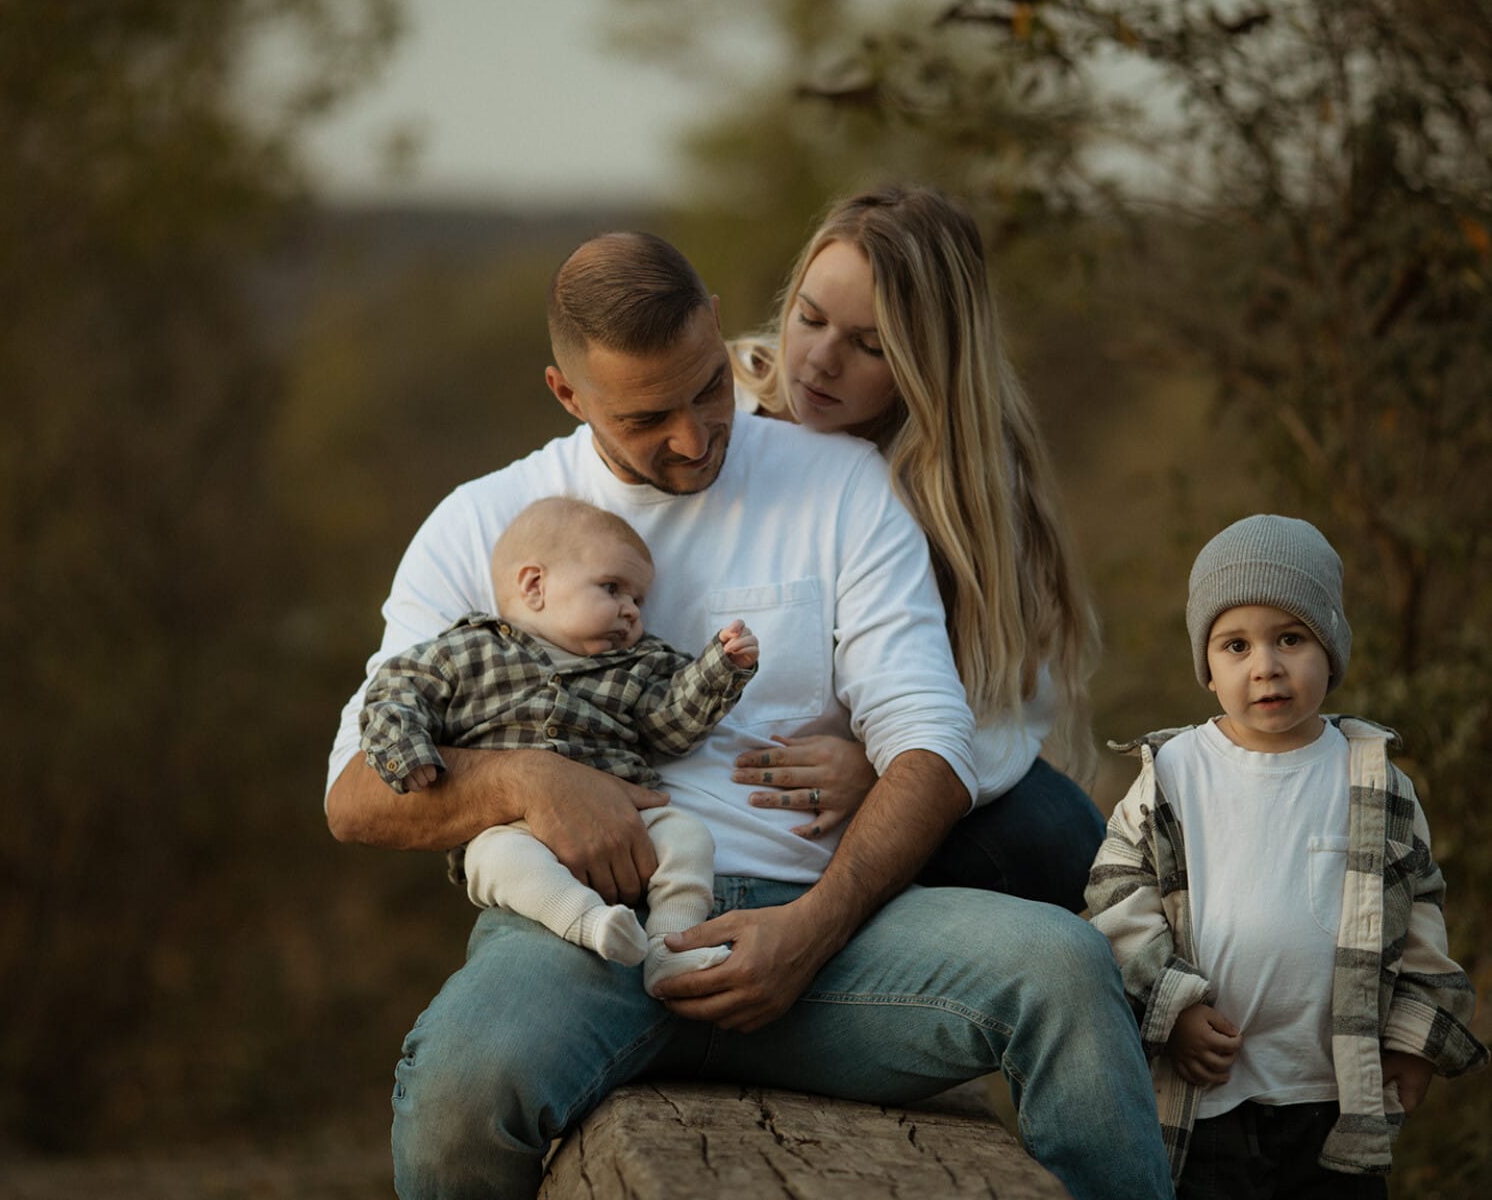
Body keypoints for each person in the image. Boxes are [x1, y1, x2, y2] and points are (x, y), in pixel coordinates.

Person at [325, 229, 1175, 1200]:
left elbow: (931, 740)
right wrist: (529, 779)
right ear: (569, 394)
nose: (694, 436)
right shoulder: (482, 521)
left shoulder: (838, 480)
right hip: (583, 934)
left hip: (824, 945)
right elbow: (354, 795)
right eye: (650, 415)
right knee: (458, 1090)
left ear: (718, 330)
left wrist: (813, 926)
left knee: (1063, 965)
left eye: (707, 389)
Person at [1085, 514, 1487, 1197]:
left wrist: (1413, 1041)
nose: (1265, 666)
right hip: (1210, 1093)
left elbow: (1418, 912)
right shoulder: (1178, 772)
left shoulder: (1372, 778)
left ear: (1329, 649)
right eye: (1236, 645)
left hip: (1333, 1096)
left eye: (1290, 638)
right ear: (1207, 669)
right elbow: (1117, 892)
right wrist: (1174, 1010)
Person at [729, 185, 1103, 910]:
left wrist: (886, 769)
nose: (820, 360)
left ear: (930, 362)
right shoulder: (722, 411)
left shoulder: (972, 488)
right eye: (808, 318)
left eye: (871, 346)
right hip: (737, 780)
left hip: (885, 792)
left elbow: (1003, 705)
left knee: (1055, 831)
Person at [358, 495, 758, 995]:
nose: (631, 612)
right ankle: (590, 924)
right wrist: (407, 751)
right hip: (509, 827)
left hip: (623, 818)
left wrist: (720, 669)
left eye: (639, 600)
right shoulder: (467, 651)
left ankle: (669, 949)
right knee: (494, 862)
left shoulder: (639, 663)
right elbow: (395, 692)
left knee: (688, 838)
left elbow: (670, 727)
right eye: (612, 588)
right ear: (535, 585)